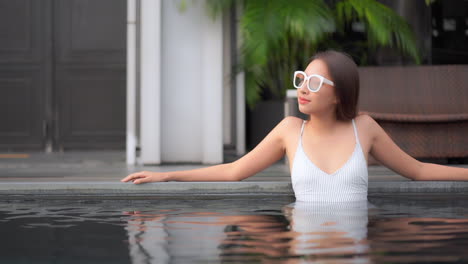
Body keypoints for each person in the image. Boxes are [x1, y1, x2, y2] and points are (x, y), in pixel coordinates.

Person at [121, 50, 468, 202]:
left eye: (315, 83)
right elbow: (234, 171)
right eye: (302, 79)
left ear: (338, 95)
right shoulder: (290, 130)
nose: (303, 88)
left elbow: (418, 171)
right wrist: (166, 176)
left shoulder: (365, 128)